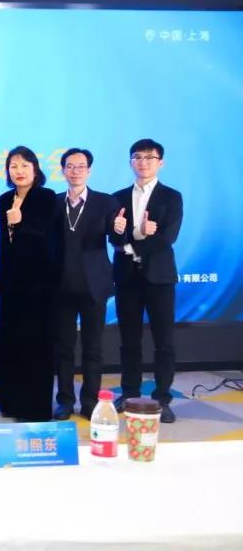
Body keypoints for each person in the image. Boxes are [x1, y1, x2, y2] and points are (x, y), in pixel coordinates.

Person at [112, 138, 183, 423]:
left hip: (159, 277)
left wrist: (134, 243)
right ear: (131, 162)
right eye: (137, 157)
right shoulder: (117, 198)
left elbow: (167, 237)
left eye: (149, 157)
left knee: (164, 341)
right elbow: (113, 238)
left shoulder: (171, 197)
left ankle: (162, 397)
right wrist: (136, 234)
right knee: (129, 339)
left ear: (160, 162)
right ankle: (129, 392)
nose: (143, 162)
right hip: (126, 277)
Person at [52, 148, 119, 420]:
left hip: (94, 285)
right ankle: (65, 401)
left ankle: (90, 401)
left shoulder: (106, 201)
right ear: (63, 170)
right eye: (70, 166)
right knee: (63, 348)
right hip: (61, 286)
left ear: (89, 171)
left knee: (93, 348)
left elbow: (117, 237)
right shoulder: (54, 202)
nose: (75, 171)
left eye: (81, 166)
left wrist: (119, 228)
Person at [0, 146, 57, 422]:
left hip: (38, 285)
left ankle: (36, 408)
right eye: (13, 166)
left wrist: (21, 223)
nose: (18, 171)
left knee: (37, 347)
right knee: (10, 345)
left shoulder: (47, 197)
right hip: (10, 284)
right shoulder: (4, 199)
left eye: (24, 165)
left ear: (35, 169)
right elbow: (4, 244)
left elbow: (45, 237)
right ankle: (11, 403)